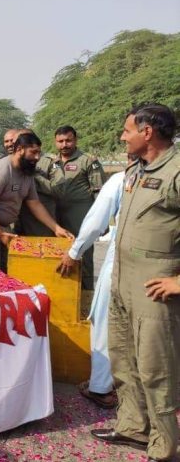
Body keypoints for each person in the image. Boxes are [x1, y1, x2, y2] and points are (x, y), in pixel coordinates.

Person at [91, 104, 180, 462]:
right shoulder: (136, 169)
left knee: (155, 368)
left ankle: (165, 446)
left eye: (127, 130)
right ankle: (133, 427)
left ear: (148, 133)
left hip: (155, 288)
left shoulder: (175, 172)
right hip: (124, 282)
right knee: (124, 360)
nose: (122, 136)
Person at [58, 163, 127, 409]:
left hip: (123, 262)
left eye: (128, 133)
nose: (123, 139)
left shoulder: (124, 178)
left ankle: (100, 387)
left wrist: (75, 252)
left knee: (104, 321)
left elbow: (96, 220)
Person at [0, 132, 73, 271]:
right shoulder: (1, 171)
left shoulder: (27, 171)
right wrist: (0, 233)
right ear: (20, 149)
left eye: (39, 153)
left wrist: (56, 228)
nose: (37, 157)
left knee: (6, 272)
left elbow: (34, 203)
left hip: (3, 227)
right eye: (33, 152)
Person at [51, 126, 106, 290]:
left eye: (68, 140)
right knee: (58, 256)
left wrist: (103, 222)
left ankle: (86, 298)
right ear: (56, 142)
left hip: (81, 217)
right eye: (60, 141)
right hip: (56, 218)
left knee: (84, 257)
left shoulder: (88, 161)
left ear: (75, 140)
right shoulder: (52, 162)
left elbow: (100, 193)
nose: (64, 145)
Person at [16, 128, 58, 236]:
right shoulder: (11, 162)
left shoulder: (50, 161)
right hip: (17, 216)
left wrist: (34, 174)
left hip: (40, 218)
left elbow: (56, 190)